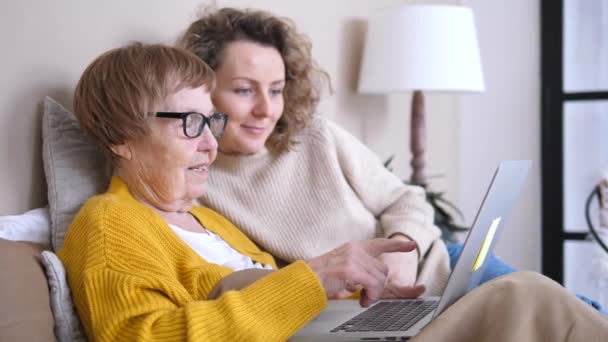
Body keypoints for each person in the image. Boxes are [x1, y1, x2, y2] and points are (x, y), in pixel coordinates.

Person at [58, 42, 608, 342]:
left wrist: (360, 301)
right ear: (120, 138)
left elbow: (268, 300)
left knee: (531, 299)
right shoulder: (110, 222)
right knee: (523, 297)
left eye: (212, 123)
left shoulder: (207, 219)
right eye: (190, 125)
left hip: (358, 334)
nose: (210, 145)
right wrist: (314, 278)